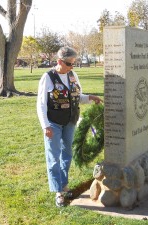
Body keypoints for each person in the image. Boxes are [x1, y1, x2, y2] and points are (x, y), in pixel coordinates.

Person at [37, 46, 103, 207]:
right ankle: (58, 192)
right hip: (53, 122)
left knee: (67, 154)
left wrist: (89, 98)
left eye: (74, 63)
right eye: (69, 63)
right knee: (53, 157)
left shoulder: (73, 75)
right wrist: (45, 125)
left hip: (70, 121)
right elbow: (41, 104)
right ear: (59, 61)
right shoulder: (48, 77)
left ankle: (64, 185)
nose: (72, 67)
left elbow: (77, 97)